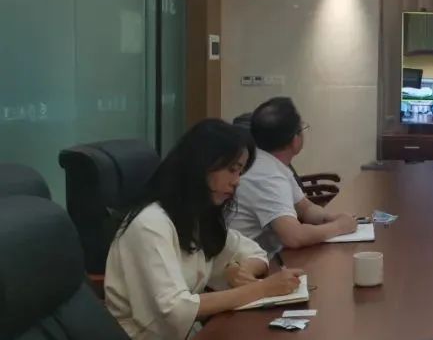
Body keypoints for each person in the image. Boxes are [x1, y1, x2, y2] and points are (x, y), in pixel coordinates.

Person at [105, 119, 305, 340]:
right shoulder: (150, 224)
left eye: (240, 172)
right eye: (232, 170)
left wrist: (241, 269)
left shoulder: (195, 217)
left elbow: (254, 251)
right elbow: (176, 310)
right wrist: (263, 289)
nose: (237, 181)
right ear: (201, 166)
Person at [230, 97, 356, 254]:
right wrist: (339, 227)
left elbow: (305, 207)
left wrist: (329, 218)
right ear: (295, 140)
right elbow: (293, 237)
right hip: (246, 264)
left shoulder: (267, 162)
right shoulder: (267, 176)